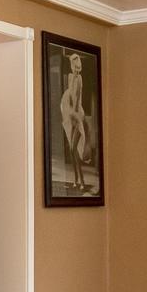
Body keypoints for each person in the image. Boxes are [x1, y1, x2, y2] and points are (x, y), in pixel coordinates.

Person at [59, 50, 92, 191]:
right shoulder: (70, 77)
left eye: (78, 67)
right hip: (71, 115)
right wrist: (69, 112)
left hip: (77, 117)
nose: (76, 69)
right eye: (74, 67)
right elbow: (70, 97)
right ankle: (77, 179)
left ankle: (81, 180)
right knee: (71, 150)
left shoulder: (79, 79)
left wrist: (76, 116)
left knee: (73, 149)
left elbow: (78, 99)